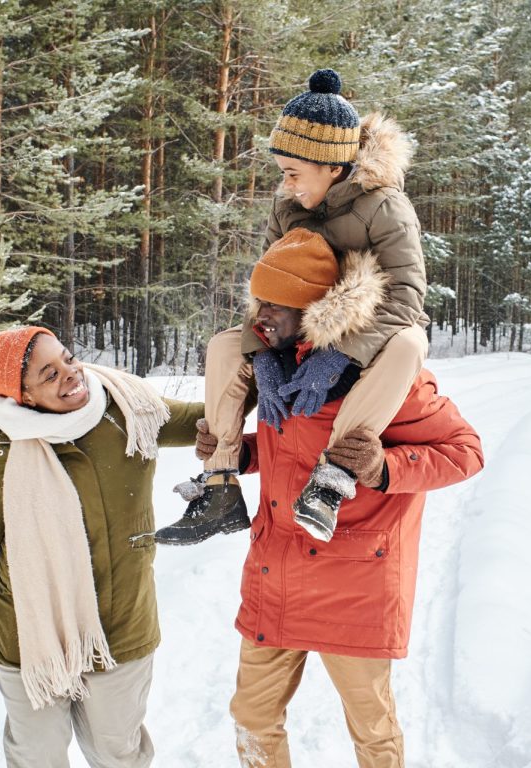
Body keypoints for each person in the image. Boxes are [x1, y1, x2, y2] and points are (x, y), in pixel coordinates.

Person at [190, 230, 484, 767]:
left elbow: (465, 451)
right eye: (259, 303)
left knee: (371, 731)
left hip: (356, 581)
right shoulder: (273, 367)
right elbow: (292, 448)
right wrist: (242, 453)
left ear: (316, 309)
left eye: (277, 306)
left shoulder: (380, 373)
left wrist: (384, 468)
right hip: (275, 572)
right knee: (253, 717)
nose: (263, 317)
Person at [0, 326, 204, 768]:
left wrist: (266, 373)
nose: (70, 374)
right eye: (49, 374)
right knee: (37, 757)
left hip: (120, 626)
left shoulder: (126, 407)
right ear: (22, 396)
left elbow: (210, 419)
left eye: (67, 358)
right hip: (29, 633)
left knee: (118, 754)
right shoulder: (3, 444)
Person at [156, 68, 430, 547]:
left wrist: (341, 353)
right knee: (225, 345)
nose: (286, 184)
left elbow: (407, 295)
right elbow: (266, 289)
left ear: (332, 166)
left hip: (366, 325)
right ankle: (219, 484)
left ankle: (332, 478)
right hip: (298, 324)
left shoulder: (386, 207)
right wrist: (263, 355)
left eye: (293, 173)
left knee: (410, 343)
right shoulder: (286, 207)